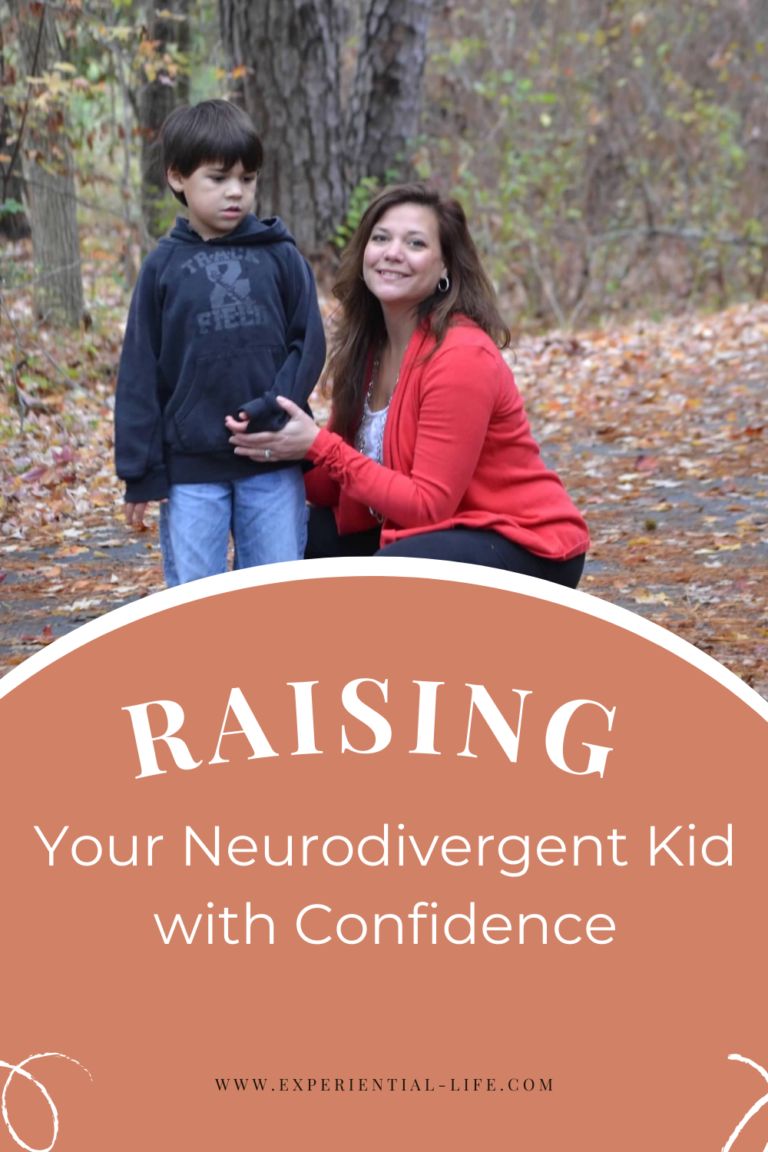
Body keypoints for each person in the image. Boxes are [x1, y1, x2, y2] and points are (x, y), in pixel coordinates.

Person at [225, 182, 589, 584]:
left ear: (445, 267)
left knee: (394, 570)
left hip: (524, 545)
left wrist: (318, 444)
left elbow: (427, 504)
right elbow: (334, 487)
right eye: (381, 238)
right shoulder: (370, 347)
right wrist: (268, 451)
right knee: (288, 534)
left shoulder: (461, 355)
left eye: (415, 243)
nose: (393, 253)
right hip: (435, 534)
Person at [114, 99, 326, 586]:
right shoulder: (162, 269)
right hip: (191, 470)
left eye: (247, 179)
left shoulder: (280, 256)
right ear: (177, 178)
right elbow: (140, 371)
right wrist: (140, 471)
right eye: (218, 178)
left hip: (272, 457)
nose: (236, 192)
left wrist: (273, 406)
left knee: (274, 594)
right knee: (197, 599)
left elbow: (308, 343)